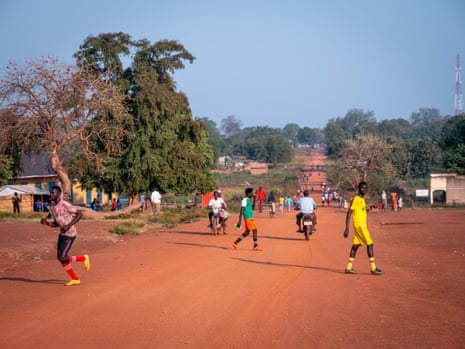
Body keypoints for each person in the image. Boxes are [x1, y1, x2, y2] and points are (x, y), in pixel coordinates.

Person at [40, 185, 90, 286]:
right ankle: (75, 279)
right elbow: (57, 224)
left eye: (53, 192)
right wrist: (47, 223)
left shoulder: (65, 204)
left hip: (70, 234)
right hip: (62, 234)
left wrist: (69, 225)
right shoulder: (54, 208)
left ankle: (83, 258)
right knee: (60, 257)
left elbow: (80, 214)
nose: (51, 194)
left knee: (62, 257)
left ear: (58, 193)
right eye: (51, 192)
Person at [343, 181, 383, 275]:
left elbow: (363, 212)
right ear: (359, 188)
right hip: (360, 225)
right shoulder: (356, 198)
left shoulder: (362, 199)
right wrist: (346, 228)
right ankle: (373, 268)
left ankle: (348, 267)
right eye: (362, 188)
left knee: (355, 245)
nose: (364, 190)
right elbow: (349, 212)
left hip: (359, 225)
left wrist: (371, 207)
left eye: (365, 188)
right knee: (370, 243)